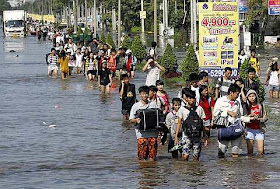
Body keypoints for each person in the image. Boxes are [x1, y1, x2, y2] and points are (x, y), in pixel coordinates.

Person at [213, 84, 253, 158]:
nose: (238, 96)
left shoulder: (237, 102)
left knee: (236, 152)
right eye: (237, 94)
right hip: (224, 129)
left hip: (236, 129)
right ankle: (222, 168)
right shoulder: (220, 101)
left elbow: (240, 116)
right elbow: (215, 114)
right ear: (231, 92)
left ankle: (235, 169)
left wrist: (249, 119)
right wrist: (227, 112)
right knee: (222, 152)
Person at [174, 88, 206, 161]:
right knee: (185, 156)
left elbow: (202, 124)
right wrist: (176, 137)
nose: (192, 100)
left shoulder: (199, 109)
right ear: (187, 99)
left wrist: (205, 136)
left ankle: (195, 171)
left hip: (197, 136)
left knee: (196, 157)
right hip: (186, 136)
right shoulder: (182, 109)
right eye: (190, 98)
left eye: (193, 98)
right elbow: (179, 123)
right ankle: (185, 171)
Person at [129, 86, 158, 161]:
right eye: (143, 94)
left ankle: (152, 171)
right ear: (140, 94)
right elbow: (131, 119)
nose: (144, 95)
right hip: (141, 134)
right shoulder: (136, 106)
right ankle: (143, 171)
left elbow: (157, 116)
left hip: (153, 133)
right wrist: (136, 120)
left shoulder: (153, 104)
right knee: (142, 157)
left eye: (146, 94)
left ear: (148, 94)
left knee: (153, 157)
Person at [243, 90, 268, 156]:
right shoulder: (246, 107)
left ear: (256, 96)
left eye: (253, 96)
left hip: (260, 130)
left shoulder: (261, 106)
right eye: (250, 96)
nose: (252, 98)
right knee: (250, 152)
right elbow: (243, 118)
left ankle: (260, 165)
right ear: (247, 97)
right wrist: (250, 116)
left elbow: (265, 118)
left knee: (261, 152)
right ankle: (251, 165)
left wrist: (259, 119)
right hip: (249, 130)